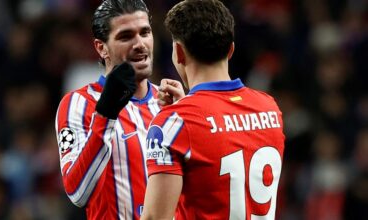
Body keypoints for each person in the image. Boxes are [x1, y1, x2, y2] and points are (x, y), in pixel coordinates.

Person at [141, 0, 285, 219]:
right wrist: (186, 109)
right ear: (231, 50)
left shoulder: (174, 123)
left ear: (179, 52)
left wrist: (179, 117)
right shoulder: (270, 109)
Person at [54, 0, 184, 219]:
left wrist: (188, 119)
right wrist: (106, 114)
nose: (140, 44)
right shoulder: (79, 104)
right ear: (101, 47)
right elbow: (77, 193)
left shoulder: (173, 102)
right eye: (126, 36)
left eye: (145, 33)